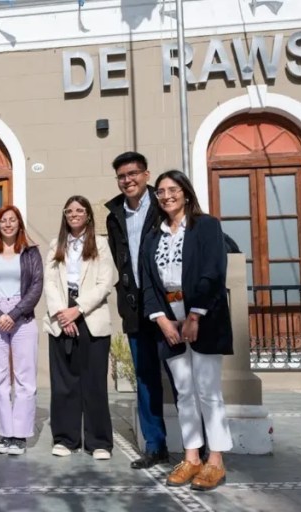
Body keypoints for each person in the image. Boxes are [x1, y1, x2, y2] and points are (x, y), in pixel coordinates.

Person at [141, 170, 234, 491]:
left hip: (203, 316)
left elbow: (213, 272)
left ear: (186, 193)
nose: (166, 195)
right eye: (161, 191)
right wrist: (162, 320)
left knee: (208, 390)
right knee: (183, 392)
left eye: (173, 189)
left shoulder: (206, 226)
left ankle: (215, 461)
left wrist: (195, 315)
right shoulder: (153, 234)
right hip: (168, 319)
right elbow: (148, 282)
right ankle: (192, 457)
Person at [103, 151, 174, 469]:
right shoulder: (114, 213)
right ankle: (155, 444)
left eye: (133, 173)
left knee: (181, 378)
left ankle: (195, 446)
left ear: (146, 174)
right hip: (134, 307)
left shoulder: (163, 206)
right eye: (122, 176)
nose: (127, 180)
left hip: (168, 305)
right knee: (145, 377)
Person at [43, 195, 117, 461]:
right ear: (65, 215)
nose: (74, 214)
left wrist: (78, 309)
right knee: (64, 383)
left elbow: (104, 283)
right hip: (61, 316)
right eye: (69, 210)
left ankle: (99, 442)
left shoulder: (101, 244)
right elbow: (49, 282)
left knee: (94, 382)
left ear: (87, 215)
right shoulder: (56, 245)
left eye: (79, 210)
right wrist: (63, 314)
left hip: (90, 315)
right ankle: (65, 438)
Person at [0, 206, 43, 456]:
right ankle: (6, 433)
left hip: (22, 318)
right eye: (3, 221)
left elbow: (36, 286)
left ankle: (20, 435)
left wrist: (13, 314)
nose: (7, 224)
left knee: (25, 379)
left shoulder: (30, 252)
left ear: (19, 224)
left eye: (12, 220)